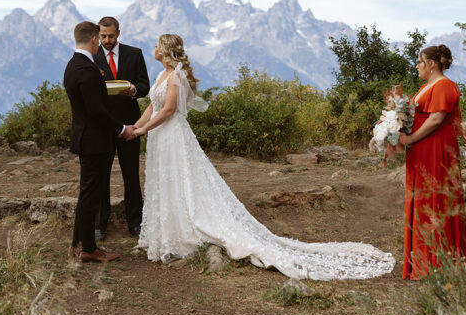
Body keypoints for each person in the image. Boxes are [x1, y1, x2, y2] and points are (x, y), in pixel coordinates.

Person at [133, 34, 394, 280]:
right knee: (164, 183)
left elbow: (168, 110)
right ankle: (163, 235)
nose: (153, 49)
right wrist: (135, 126)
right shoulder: (162, 75)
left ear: (165, 50)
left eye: (157, 45)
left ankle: (183, 235)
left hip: (173, 135)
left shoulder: (176, 77)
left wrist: (143, 129)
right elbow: (153, 107)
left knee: (181, 181)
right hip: (160, 136)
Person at [63, 21, 136, 263]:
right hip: (94, 141)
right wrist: (122, 128)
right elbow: (96, 111)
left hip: (88, 139)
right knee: (90, 195)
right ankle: (88, 248)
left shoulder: (74, 65)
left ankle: (79, 242)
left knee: (88, 193)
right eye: (99, 39)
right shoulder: (86, 69)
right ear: (95, 39)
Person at [396, 44, 466, 279]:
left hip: (436, 149)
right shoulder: (426, 86)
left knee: (435, 197)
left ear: (431, 64)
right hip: (422, 149)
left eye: (419, 61)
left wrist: (411, 138)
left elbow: (437, 118)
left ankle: (436, 261)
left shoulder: (444, 85)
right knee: (423, 196)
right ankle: (422, 259)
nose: (417, 66)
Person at [93, 16, 150, 240]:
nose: (107, 40)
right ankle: (99, 224)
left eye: (111, 36)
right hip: (103, 125)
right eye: (103, 36)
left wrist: (134, 90)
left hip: (130, 124)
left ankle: (135, 223)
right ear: (98, 34)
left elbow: (145, 85)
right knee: (101, 175)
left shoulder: (134, 54)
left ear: (119, 33)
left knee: (131, 175)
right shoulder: (93, 56)